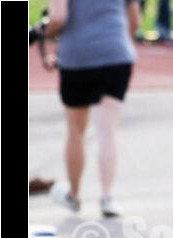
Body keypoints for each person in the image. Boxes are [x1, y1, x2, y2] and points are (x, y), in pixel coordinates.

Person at [44, 0, 140, 217]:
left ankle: (74, 195)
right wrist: (122, 42)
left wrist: (44, 31)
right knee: (108, 130)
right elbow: (135, 20)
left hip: (78, 57)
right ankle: (107, 196)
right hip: (116, 54)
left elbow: (58, 18)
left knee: (76, 130)